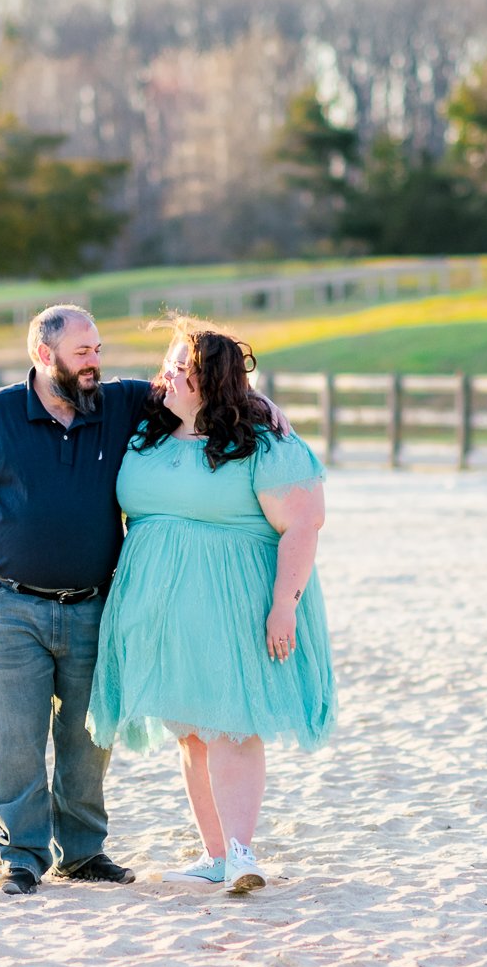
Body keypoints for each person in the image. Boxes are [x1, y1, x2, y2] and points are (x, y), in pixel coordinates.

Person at [87, 318, 337, 895]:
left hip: (234, 601)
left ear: (212, 381)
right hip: (161, 609)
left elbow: (304, 522)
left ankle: (244, 853)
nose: (166, 376)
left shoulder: (262, 442)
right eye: (168, 364)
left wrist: (284, 605)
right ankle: (215, 853)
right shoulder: (147, 431)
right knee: (192, 733)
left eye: (182, 368)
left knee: (233, 723)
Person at [0, 304, 150, 895]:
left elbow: (193, 387)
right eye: (83, 353)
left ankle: (82, 852)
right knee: (13, 737)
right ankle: (22, 855)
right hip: (6, 607)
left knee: (88, 738)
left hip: (94, 604)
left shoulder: (118, 403)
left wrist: (265, 409)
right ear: (41, 354)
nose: (95, 364)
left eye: (99, 350)